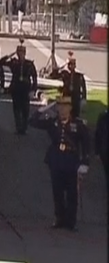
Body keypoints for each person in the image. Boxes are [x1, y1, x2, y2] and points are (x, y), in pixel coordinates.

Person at [30, 94, 92, 231]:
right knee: (57, 191)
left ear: (70, 108)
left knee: (71, 193)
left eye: (65, 107)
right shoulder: (52, 122)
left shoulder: (78, 124)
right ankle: (60, 218)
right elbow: (32, 121)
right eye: (59, 107)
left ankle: (71, 221)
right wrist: (44, 108)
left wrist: (85, 162)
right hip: (56, 159)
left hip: (71, 160)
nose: (62, 110)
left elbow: (86, 143)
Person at [3, 43, 38, 134]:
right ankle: (19, 128)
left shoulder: (29, 64)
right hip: (16, 88)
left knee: (25, 109)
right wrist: (11, 54)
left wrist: (33, 90)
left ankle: (24, 127)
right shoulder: (14, 63)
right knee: (16, 109)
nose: (20, 55)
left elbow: (34, 77)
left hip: (26, 89)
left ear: (25, 53)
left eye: (22, 52)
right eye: (19, 53)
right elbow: (1, 62)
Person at [56, 53, 87, 118]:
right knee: (65, 115)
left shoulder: (79, 76)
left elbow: (84, 88)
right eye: (69, 64)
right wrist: (62, 66)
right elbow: (53, 75)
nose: (71, 66)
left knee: (75, 116)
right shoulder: (64, 74)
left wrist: (84, 98)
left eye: (72, 64)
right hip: (66, 97)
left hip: (76, 98)